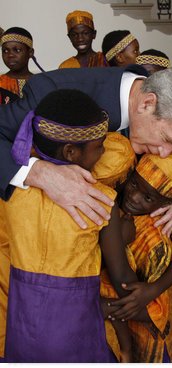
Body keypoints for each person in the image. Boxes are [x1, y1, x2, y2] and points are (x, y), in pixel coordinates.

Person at [0, 89, 141, 363]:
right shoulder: (99, 200)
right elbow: (122, 277)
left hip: (22, 328)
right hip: (74, 333)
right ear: (71, 152)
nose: (104, 150)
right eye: (99, 145)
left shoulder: (12, 193)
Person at [0, 64, 172, 236]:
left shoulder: (161, 111)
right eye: (167, 139)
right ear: (147, 103)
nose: (166, 153)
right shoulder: (51, 90)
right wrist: (39, 173)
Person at [99, 147, 172, 362]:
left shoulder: (163, 229)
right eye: (134, 184)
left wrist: (154, 288)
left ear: (167, 203)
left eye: (147, 197)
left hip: (153, 332)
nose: (134, 197)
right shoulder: (118, 211)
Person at [0, 27, 44, 97]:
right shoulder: (1, 83)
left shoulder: (42, 83)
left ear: (30, 53)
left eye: (17, 50)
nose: (10, 55)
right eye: (5, 51)